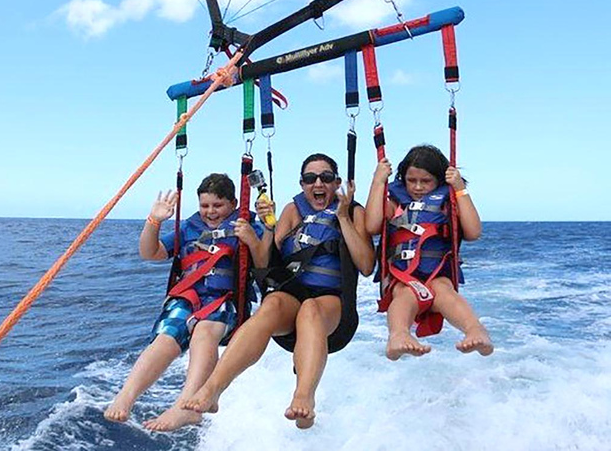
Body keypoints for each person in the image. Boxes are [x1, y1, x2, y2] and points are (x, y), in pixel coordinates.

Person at [183, 154, 375, 429]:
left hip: (332, 306)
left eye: (325, 177)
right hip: (289, 298)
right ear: (302, 183)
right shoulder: (291, 211)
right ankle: (213, 389)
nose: (318, 183)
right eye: (310, 178)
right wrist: (265, 229)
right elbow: (264, 263)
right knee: (270, 306)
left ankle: (304, 397)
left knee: (311, 310)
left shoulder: (354, 211)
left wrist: (342, 216)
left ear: (337, 182)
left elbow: (367, 265)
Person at [103, 173, 271, 431]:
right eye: (205, 206)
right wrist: (154, 221)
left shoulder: (246, 224)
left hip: (224, 301)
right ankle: (126, 396)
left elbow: (265, 263)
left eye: (218, 205)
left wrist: (251, 238)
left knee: (203, 332)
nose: (210, 212)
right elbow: (151, 252)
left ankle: (186, 407)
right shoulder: (189, 227)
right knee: (166, 339)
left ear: (233, 203)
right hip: (187, 297)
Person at [363, 144, 494, 360]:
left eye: (426, 181)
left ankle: (475, 330)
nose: (418, 187)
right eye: (411, 181)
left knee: (444, 291)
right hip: (401, 277)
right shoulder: (395, 202)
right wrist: (378, 182)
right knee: (404, 294)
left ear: (439, 181)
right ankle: (398, 335)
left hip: (437, 273)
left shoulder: (448, 201)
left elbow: (473, 232)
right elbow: (372, 226)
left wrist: (459, 188)